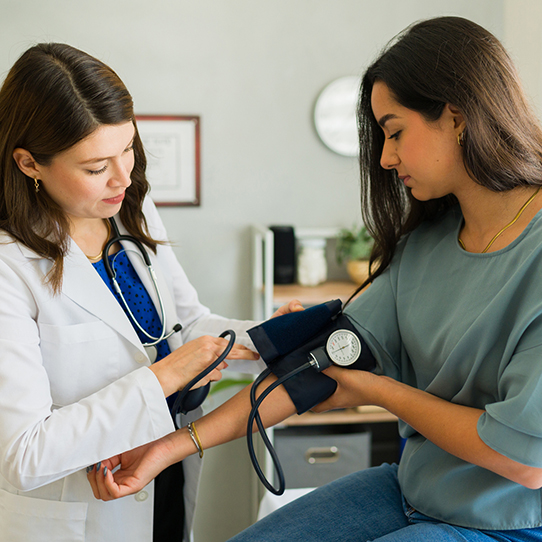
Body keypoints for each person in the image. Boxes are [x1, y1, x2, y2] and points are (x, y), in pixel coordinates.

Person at [88, 15, 542, 541]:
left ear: (457, 118)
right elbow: (322, 363)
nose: (386, 158)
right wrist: (169, 448)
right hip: (414, 492)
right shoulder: (428, 243)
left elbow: (524, 458)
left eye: (395, 132)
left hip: (510, 525)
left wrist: (382, 391)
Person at [0, 42, 302, 542]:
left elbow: (185, 324)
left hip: (163, 469)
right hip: (78, 512)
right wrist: (161, 379)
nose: (124, 176)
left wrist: (269, 337)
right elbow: (22, 455)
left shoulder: (126, 207)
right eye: (96, 167)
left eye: (129, 149)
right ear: (30, 163)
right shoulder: (10, 265)